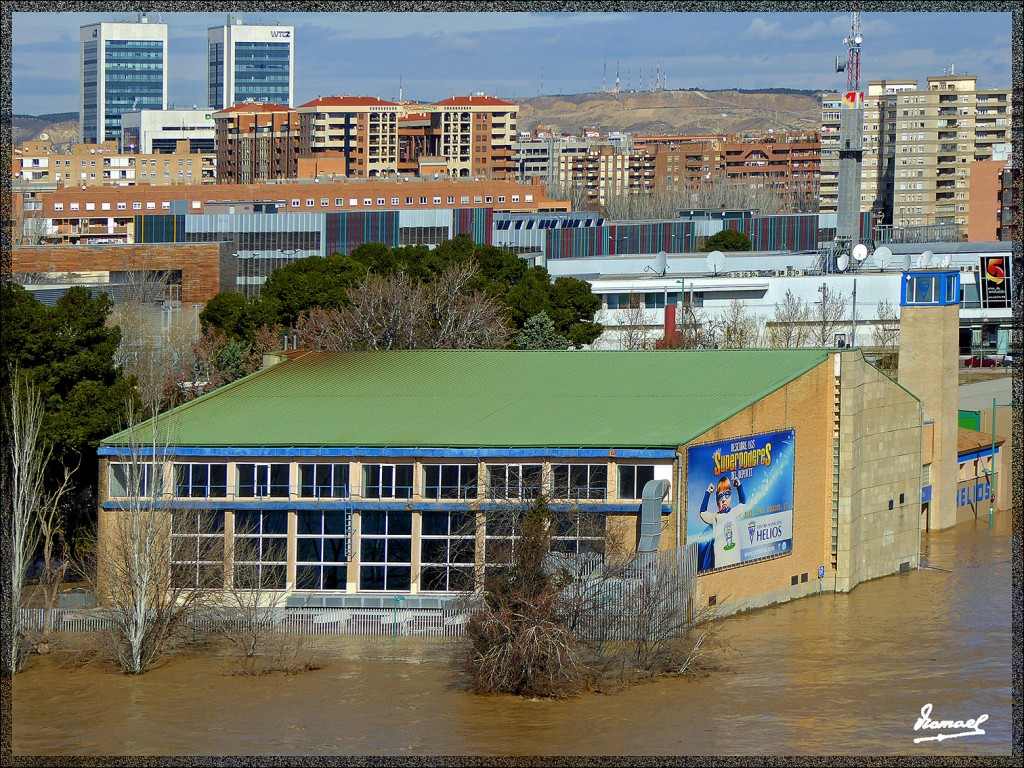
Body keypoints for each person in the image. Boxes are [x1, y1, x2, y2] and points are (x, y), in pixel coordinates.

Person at [698, 473, 747, 570]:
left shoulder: (733, 513)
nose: (724, 499)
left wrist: (739, 486)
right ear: (717, 502)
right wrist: (708, 492)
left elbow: (743, 503)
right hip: (720, 564)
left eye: (727, 494)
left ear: (731, 497)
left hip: (735, 561)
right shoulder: (716, 517)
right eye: (720, 497)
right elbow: (703, 513)